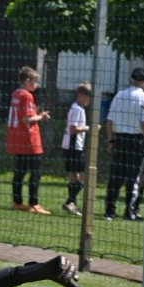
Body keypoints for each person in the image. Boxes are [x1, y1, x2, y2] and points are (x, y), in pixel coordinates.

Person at [104, 67, 144, 221]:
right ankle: (129, 211)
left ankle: (109, 211)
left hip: (120, 139)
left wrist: (111, 140)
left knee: (115, 176)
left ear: (130, 79)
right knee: (133, 178)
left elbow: (109, 121)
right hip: (136, 141)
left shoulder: (119, 95)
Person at [7, 66, 52, 215]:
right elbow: (27, 119)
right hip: (29, 139)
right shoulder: (27, 96)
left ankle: (17, 202)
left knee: (19, 171)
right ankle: (34, 203)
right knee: (36, 172)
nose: (37, 84)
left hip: (16, 137)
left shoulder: (16, 93)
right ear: (27, 81)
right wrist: (41, 116)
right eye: (35, 81)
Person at [61, 82, 92, 216]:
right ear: (81, 96)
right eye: (88, 96)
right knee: (81, 177)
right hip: (73, 146)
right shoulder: (77, 109)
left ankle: (72, 203)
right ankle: (69, 202)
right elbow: (73, 129)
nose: (90, 100)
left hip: (75, 146)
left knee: (75, 176)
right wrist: (88, 128)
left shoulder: (79, 108)